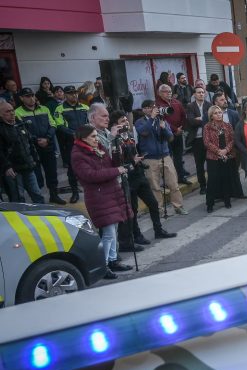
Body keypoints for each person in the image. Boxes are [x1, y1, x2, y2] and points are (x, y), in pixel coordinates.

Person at [71, 124, 132, 279]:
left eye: (96, 136)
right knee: (108, 232)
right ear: (83, 138)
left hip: (111, 191)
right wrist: (116, 171)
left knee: (114, 229)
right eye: (93, 136)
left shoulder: (99, 148)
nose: (96, 139)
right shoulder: (78, 155)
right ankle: (102, 265)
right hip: (98, 195)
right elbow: (90, 175)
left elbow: (112, 163)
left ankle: (113, 260)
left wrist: (118, 151)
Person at [109, 111, 175, 252]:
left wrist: (137, 159)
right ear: (115, 124)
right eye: (123, 120)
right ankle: (136, 235)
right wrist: (133, 160)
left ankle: (158, 230)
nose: (126, 122)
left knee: (153, 203)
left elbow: (134, 151)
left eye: (126, 119)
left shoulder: (130, 136)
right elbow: (117, 160)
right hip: (128, 177)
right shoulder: (114, 139)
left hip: (138, 174)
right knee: (132, 209)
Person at [134, 100, 188, 215]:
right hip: (150, 158)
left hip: (165, 156)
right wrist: (152, 119)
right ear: (143, 109)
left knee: (173, 184)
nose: (152, 109)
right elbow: (144, 132)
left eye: (153, 107)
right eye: (148, 107)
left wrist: (164, 128)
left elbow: (170, 138)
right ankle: (159, 210)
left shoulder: (161, 120)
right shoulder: (139, 122)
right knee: (155, 187)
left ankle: (178, 206)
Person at [15, 87, 66, 205]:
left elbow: (53, 124)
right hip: (32, 148)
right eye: (28, 96)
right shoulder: (18, 112)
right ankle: (39, 201)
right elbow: (22, 130)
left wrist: (47, 138)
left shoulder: (44, 108)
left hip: (48, 145)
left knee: (52, 173)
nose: (31, 98)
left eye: (32, 95)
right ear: (22, 98)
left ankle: (54, 195)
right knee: (37, 176)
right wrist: (36, 140)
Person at [0, 101, 44, 203]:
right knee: (18, 199)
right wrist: (6, 166)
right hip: (13, 171)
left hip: (28, 166)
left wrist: (34, 158)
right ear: (1, 114)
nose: (12, 113)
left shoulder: (20, 124)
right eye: (7, 111)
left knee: (37, 195)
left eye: (12, 110)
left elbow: (29, 141)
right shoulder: (1, 129)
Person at [53, 85, 89, 204]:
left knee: (89, 165)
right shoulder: (60, 109)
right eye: (70, 93)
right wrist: (74, 134)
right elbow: (59, 125)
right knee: (72, 169)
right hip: (70, 143)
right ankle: (75, 192)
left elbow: (90, 122)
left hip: (87, 141)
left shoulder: (85, 107)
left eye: (75, 92)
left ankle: (90, 190)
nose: (74, 95)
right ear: (65, 95)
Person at [155, 83, 190, 184]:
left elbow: (184, 116)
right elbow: (162, 121)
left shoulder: (176, 102)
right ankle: (170, 181)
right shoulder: (157, 105)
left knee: (178, 157)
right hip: (166, 136)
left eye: (170, 91)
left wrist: (181, 128)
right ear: (160, 93)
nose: (169, 93)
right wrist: (175, 130)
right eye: (166, 91)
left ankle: (181, 177)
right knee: (167, 159)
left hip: (179, 134)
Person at [203, 105, 235, 212]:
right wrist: (218, 152)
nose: (218, 114)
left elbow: (232, 140)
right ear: (211, 116)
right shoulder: (207, 127)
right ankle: (210, 204)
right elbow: (207, 142)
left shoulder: (228, 126)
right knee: (212, 180)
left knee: (225, 178)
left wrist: (225, 150)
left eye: (220, 112)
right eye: (216, 113)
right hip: (213, 157)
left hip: (226, 156)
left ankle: (227, 201)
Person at [185, 85, 211, 194]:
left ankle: (211, 184)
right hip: (197, 140)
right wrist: (203, 119)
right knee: (199, 165)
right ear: (194, 95)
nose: (201, 94)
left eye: (203, 92)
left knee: (210, 163)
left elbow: (211, 120)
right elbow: (191, 121)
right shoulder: (190, 106)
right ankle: (203, 186)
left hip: (208, 139)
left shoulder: (209, 105)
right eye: (199, 92)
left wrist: (200, 119)